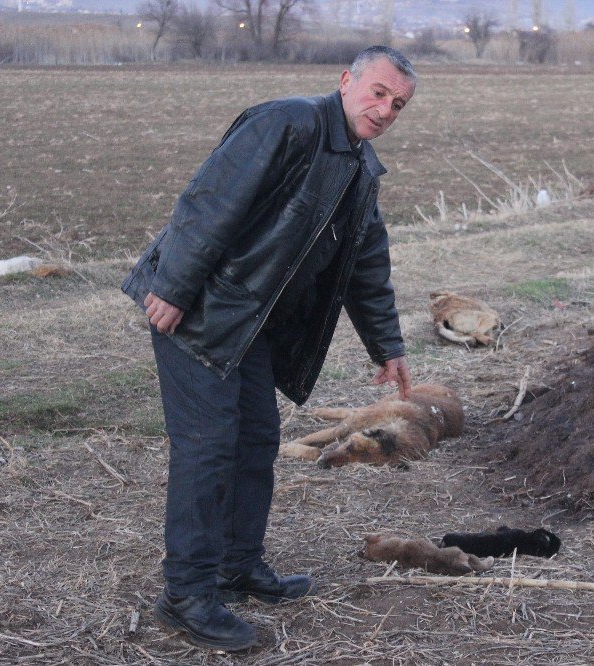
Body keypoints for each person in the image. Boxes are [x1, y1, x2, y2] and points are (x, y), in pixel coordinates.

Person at [121, 45, 416, 652]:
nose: (386, 109)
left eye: (399, 103)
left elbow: (366, 264)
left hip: (251, 324)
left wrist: (386, 345)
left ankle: (236, 566)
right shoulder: (288, 123)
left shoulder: (361, 169)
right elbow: (209, 201)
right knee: (207, 447)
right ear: (346, 81)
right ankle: (187, 593)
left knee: (255, 438)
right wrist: (174, 285)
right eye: (379, 93)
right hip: (198, 312)